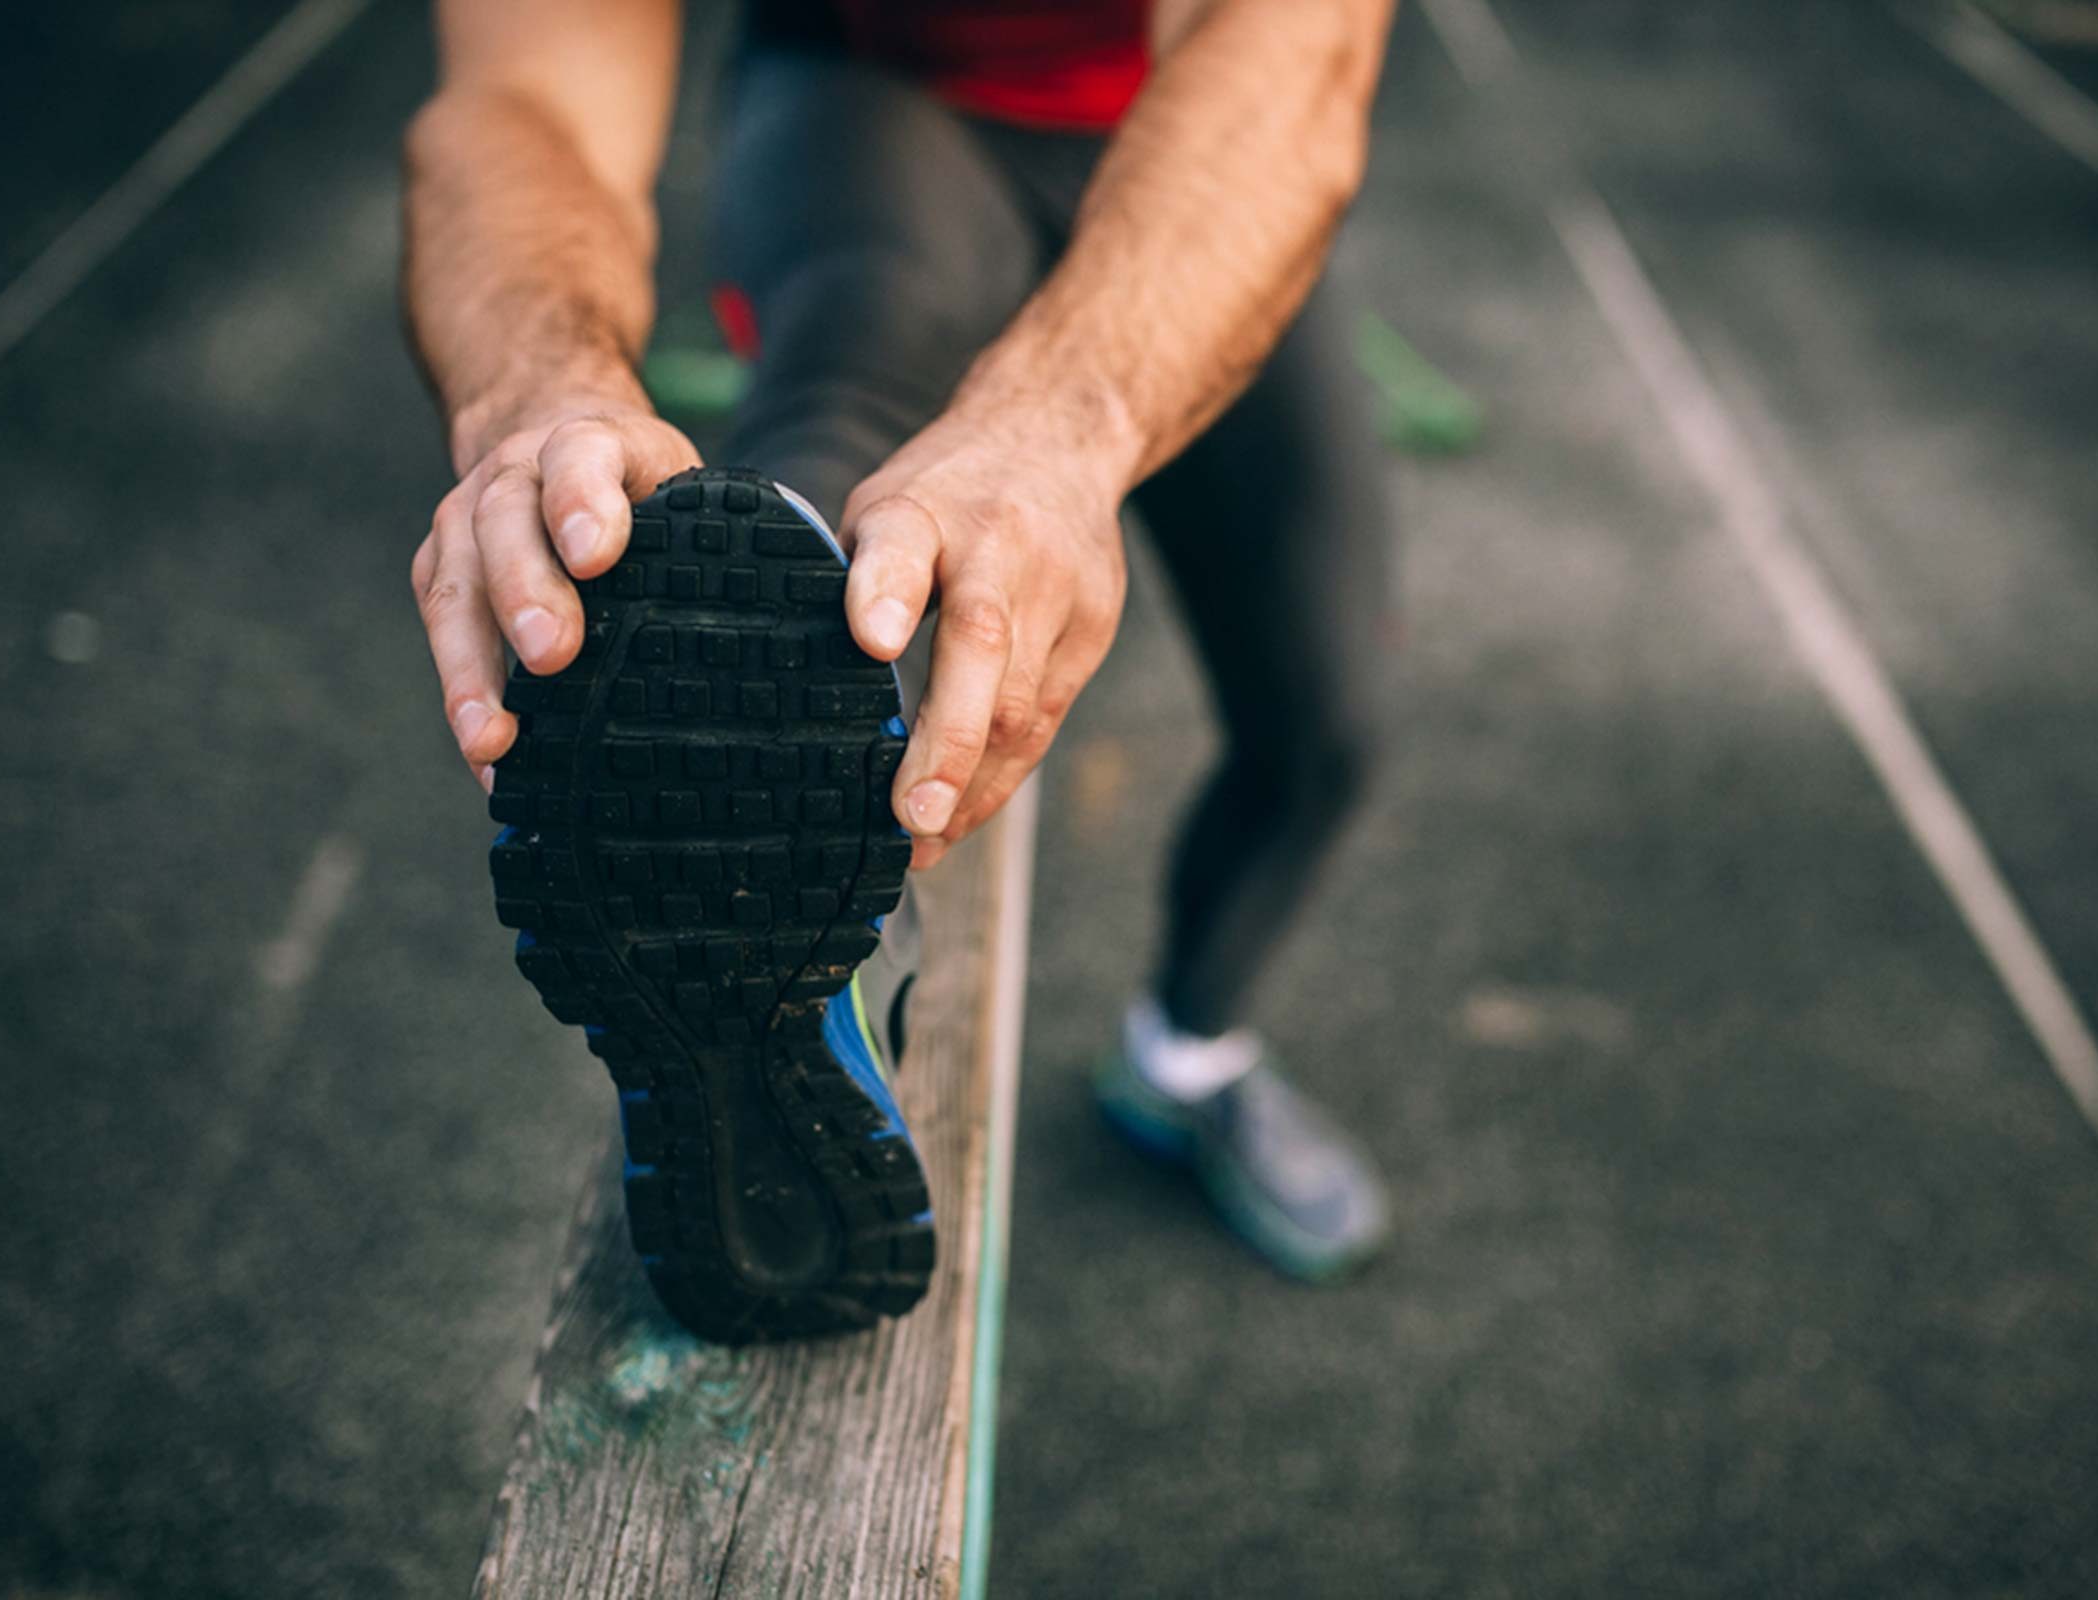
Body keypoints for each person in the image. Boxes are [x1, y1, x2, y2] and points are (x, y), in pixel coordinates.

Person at [402, 0, 1396, 1342]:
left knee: (1327, 725)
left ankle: (1185, 1059)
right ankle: (810, 953)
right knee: (828, 521)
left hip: (1193, 122)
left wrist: (1061, 427)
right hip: (876, 103)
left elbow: (1294, 56)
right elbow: (526, 95)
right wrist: (537, 391)